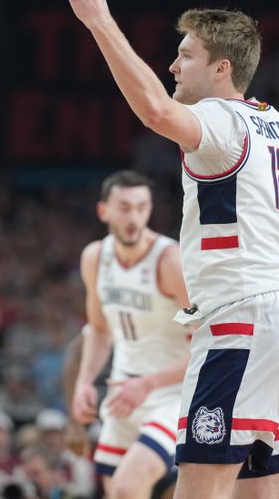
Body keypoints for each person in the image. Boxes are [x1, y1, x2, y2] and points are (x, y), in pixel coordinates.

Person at [48, 0, 279, 499]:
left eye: (185, 55)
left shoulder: (222, 122)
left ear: (221, 68)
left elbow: (155, 111)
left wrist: (99, 23)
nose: (174, 66)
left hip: (243, 320)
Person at [72, 170, 191, 498]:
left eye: (142, 207)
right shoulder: (95, 257)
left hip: (171, 394)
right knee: (117, 493)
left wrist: (149, 384)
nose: (134, 217)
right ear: (104, 211)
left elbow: (211, 342)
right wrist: (84, 382)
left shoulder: (170, 261)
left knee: (127, 487)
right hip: (122, 392)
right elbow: (98, 330)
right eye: (124, 207)